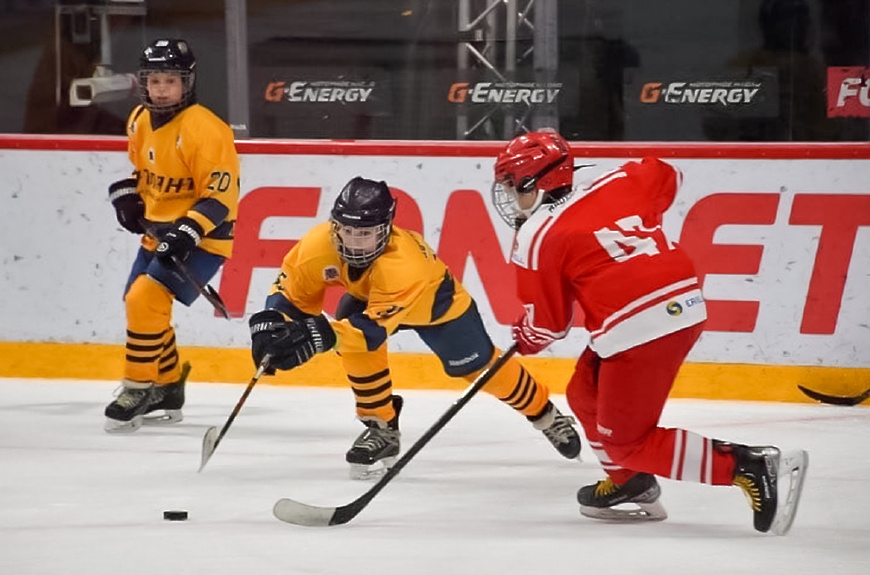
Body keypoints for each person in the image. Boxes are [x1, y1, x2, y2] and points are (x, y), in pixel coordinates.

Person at [489, 129, 808, 535]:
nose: (510, 197)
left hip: (638, 329)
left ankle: (746, 466)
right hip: (682, 304)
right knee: (584, 394)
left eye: (513, 186)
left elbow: (549, 325)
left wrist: (526, 335)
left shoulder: (537, 235)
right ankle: (629, 483)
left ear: (538, 183)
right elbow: (665, 173)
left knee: (627, 443)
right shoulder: (621, 181)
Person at [248, 176, 582, 479]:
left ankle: (544, 413)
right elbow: (290, 296)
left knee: (481, 368)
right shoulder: (316, 245)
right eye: (346, 231)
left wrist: (320, 336)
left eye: (364, 234)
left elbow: (369, 331)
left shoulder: (404, 265)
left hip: (438, 309)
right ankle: (381, 426)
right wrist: (272, 323)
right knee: (351, 331)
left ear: (385, 229)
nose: (353, 243)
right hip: (370, 300)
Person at [104, 39, 240, 433]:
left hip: (205, 237)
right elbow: (146, 175)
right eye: (154, 80)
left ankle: (137, 388)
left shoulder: (206, 129)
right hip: (158, 232)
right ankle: (167, 387)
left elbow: (220, 197)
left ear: (187, 83)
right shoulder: (138, 120)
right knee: (139, 305)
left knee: (144, 299)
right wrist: (127, 196)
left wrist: (186, 231)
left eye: (170, 80)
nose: (161, 89)